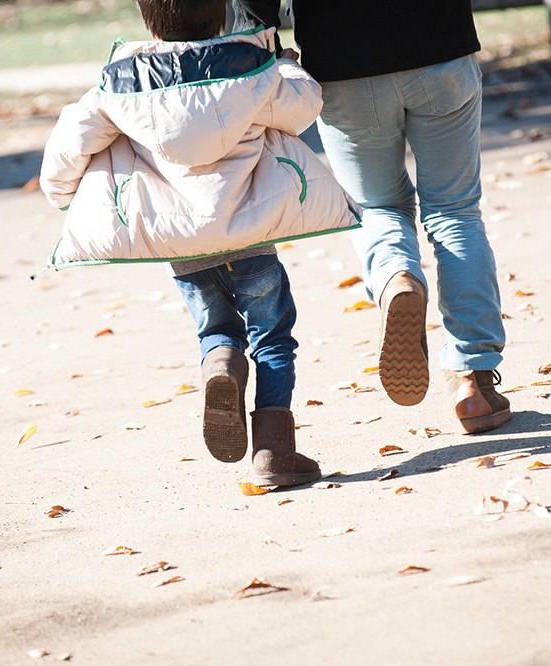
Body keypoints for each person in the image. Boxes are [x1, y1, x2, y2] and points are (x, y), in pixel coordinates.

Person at [38, 0, 360, 486]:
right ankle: (274, 451)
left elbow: (69, 145)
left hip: (182, 242)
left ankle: (221, 365)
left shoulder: (120, 83)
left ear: (149, 22)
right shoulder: (250, 69)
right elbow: (304, 105)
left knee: (217, 328)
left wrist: (65, 196)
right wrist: (286, 65)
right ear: (219, 15)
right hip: (250, 230)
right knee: (272, 334)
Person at [232, 0, 511, 434]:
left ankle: (396, 277)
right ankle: (472, 382)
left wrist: (266, 42)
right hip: (441, 44)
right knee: (454, 212)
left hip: (343, 61)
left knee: (378, 206)